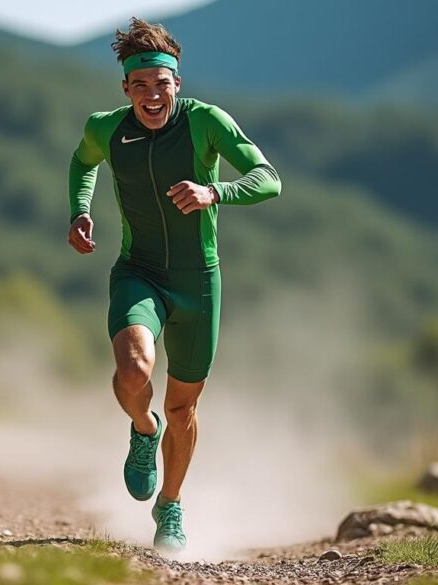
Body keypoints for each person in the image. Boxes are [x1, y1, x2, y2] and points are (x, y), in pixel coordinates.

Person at [67, 17, 281, 553]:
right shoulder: (106, 128)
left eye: (161, 83)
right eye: (140, 86)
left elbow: (268, 179)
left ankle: (171, 504)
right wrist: (79, 212)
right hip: (138, 271)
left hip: (198, 283)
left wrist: (216, 193)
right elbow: (81, 161)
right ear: (126, 90)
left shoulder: (206, 122)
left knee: (185, 408)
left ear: (176, 84)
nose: (152, 95)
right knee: (133, 369)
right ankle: (143, 428)